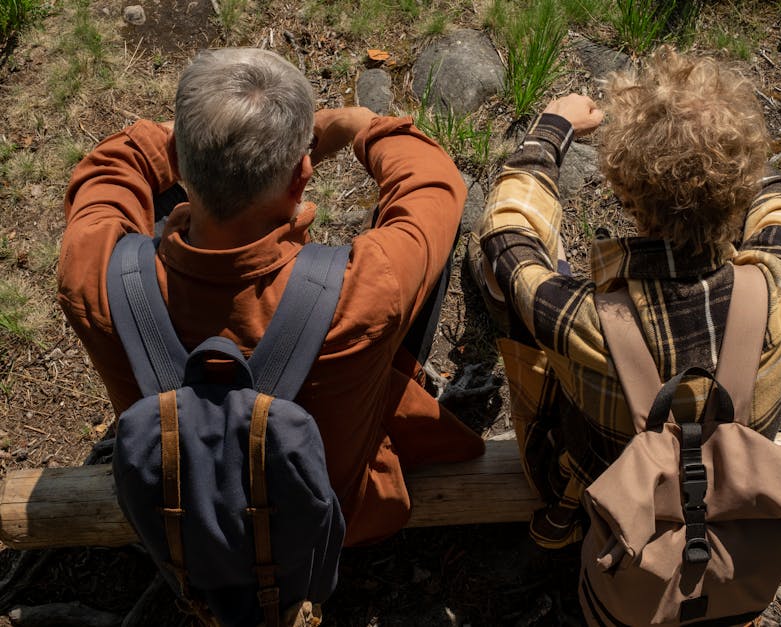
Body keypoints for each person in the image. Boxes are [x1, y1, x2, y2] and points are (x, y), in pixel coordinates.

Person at [58, 47, 484, 546]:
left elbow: (109, 169)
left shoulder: (94, 275)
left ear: (177, 160)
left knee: (158, 210)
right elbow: (434, 182)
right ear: (302, 177)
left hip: (181, 520)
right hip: (333, 519)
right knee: (432, 240)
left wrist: (199, 138)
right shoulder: (365, 291)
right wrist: (361, 125)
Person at [469, 46, 781, 548]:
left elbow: (506, 232)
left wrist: (551, 127)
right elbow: (779, 206)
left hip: (600, 500)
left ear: (626, 194)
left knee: (503, 276)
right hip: (730, 498)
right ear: (740, 191)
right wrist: (728, 153)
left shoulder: (584, 319)